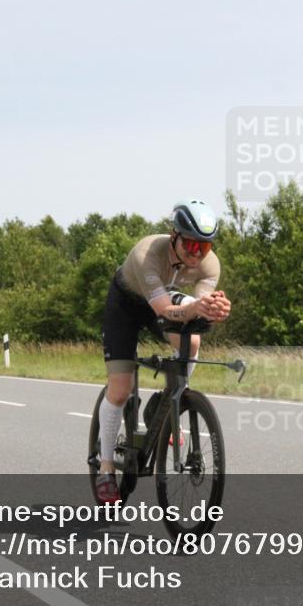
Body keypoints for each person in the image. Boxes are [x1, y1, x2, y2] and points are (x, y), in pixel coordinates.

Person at [95, 199, 231, 504]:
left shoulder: (210, 265)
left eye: (204, 248)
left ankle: (168, 404)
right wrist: (196, 307)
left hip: (166, 301)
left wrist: (212, 309)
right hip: (128, 305)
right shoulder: (148, 254)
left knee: (193, 340)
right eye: (191, 246)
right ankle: (105, 469)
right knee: (120, 388)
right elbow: (163, 309)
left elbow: (198, 307)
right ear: (175, 236)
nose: (197, 255)